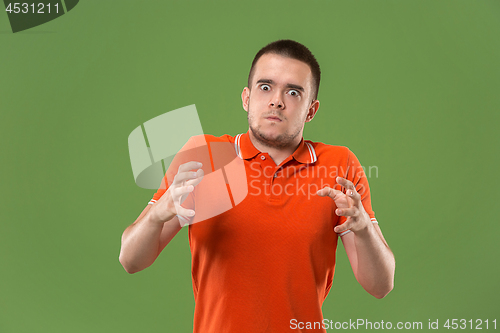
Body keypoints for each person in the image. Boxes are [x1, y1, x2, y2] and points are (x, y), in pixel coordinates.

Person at [119, 39, 395, 332]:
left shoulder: (340, 165)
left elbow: (380, 285)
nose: (277, 100)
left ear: (311, 110)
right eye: (266, 87)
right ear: (246, 98)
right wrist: (157, 214)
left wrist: (364, 228)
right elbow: (131, 259)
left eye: (293, 92)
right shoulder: (204, 156)